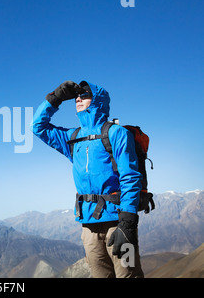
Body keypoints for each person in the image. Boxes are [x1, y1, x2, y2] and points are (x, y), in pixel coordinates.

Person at [31, 80, 144, 278]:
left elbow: (131, 176)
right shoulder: (74, 138)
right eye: (76, 96)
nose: (78, 98)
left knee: (129, 275)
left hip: (119, 222)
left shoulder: (117, 133)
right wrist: (55, 99)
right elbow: (38, 127)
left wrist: (127, 223)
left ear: (98, 100)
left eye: (84, 95)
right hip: (89, 226)